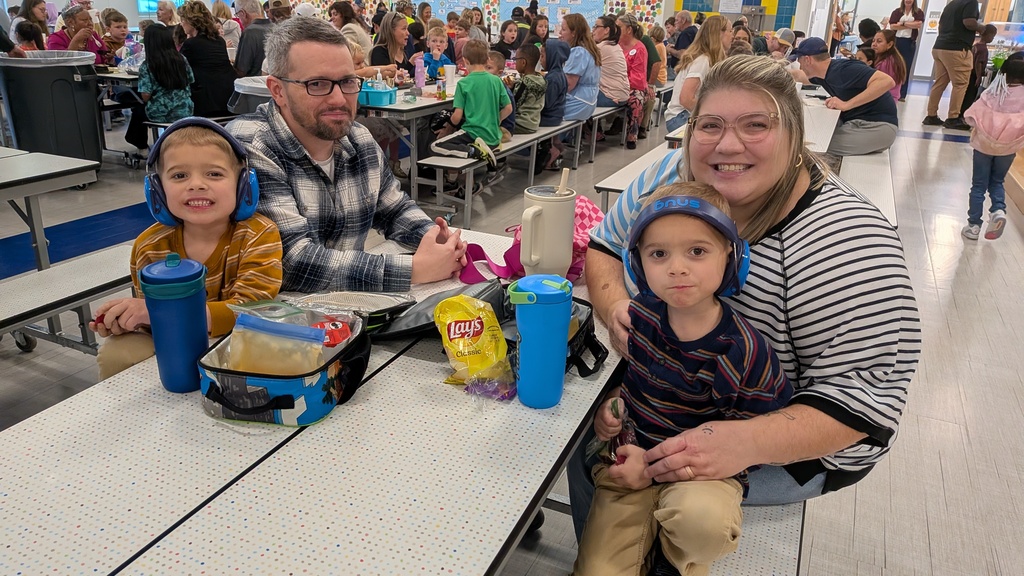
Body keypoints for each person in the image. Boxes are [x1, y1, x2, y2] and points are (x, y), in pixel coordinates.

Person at [572, 56, 920, 568]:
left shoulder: (847, 243)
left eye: (756, 125)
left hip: (790, 435)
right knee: (583, 443)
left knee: (673, 503)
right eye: (710, 125)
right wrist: (616, 305)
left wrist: (743, 441)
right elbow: (603, 246)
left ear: (795, 135)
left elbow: (862, 402)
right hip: (666, 392)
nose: (727, 146)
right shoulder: (676, 177)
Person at [572, 182, 793, 576]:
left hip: (704, 474)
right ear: (638, 263)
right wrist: (615, 404)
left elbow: (756, 439)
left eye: (697, 251)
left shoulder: (743, 351)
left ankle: (672, 559)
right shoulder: (641, 318)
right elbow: (636, 383)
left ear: (731, 256)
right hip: (631, 459)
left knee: (702, 525)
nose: (677, 267)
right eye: (659, 254)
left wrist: (656, 467)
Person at [227, 17, 466, 293]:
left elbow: (394, 209)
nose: (340, 99)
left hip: (347, 314)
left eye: (348, 81)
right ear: (277, 90)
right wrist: (413, 270)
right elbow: (291, 261)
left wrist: (436, 238)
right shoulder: (251, 146)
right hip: (277, 324)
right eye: (317, 84)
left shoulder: (358, 139)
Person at [89, 118, 283, 380]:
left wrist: (159, 312)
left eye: (214, 174)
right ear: (156, 190)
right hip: (172, 339)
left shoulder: (258, 234)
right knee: (117, 354)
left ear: (243, 185)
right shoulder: (149, 245)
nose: (196, 185)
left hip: (240, 336)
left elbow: (252, 310)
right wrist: (127, 319)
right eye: (179, 175)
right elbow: (149, 315)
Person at [791, 37, 898, 156]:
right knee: (814, 138)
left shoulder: (844, 69)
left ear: (807, 60)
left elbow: (887, 81)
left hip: (878, 127)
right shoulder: (822, 74)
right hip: (858, 123)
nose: (800, 66)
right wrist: (775, 69)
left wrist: (846, 105)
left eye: (799, 62)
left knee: (814, 146)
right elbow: (799, 76)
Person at [430, 38, 510, 186]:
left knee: (436, 145)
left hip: (473, 133)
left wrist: (447, 127)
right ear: (487, 59)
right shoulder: (496, 80)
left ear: (465, 61)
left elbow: (457, 117)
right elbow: (508, 108)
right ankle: (464, 174)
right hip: (494, 135)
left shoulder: (464, 83)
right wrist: (496, 121)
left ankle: (473, 152)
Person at [961, 58, 1024, 241]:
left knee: (978, 185)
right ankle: (998, 210)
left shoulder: (993, 93)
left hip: (984, 146)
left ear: (1003, 73)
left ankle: (973, 226)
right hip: (1008, 148)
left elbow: (970, 116)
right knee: (997, 181)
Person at [124, 24, 194, 158]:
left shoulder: (148, 65)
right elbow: (191, 80)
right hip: (185, 108)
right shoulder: (182, 59)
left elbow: (145, 95)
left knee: (139, 109)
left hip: (161, 112)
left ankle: (142, 146)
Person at [923, 0, 985, 130]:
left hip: (939, 47)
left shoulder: (952, 3)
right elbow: (969, 22)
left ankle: (931, 115)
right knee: (960, 84)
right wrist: (983, 28)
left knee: (939, 83)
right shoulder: (971, 2)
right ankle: (953, 118)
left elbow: (940, 25)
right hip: (957, 49)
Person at [665, 15, 731, 133]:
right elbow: (686, 99)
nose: (733, 36)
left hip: (682, 115)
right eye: (730, 31)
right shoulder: (703, 61)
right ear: (718, 34)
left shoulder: (707, 59)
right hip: (681, 116)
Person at [178, 1, 236, 118]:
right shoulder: (219, 41)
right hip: (228, 95)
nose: (181, 23)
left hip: (206, 101)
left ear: (191, 21)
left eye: (182, 20)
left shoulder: (190, 44)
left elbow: (179, 71)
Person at [617, 13, 649, 150]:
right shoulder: (615, 45)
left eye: (618, 27)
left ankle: (632, 135)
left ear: (628, 29)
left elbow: (638, 78)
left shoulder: (639, 49)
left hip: (631, 86)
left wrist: (621, 84)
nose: (615, 30)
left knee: (636, 100)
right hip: (614, 85)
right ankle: (596, 134)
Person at [535, 39, 567, 174]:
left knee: (524, 121)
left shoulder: (552, 78)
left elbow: (546, 103)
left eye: (542, 56)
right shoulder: (559, 73)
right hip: (557, 115)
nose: (540, 60)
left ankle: (549, 149)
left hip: (549, 117)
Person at [507, 42, 545, 135]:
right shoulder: (541, 79)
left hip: (521, 123)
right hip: (534, 122)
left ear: (523, 62)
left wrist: (509, 90)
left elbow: (514, 103)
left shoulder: (524, 83)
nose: (515, 62)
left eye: (516, 59)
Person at [889, 0, 924, 101]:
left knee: (906, 68)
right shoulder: (897, 12)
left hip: (909, 43)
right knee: (894, 66)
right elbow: (892, 26)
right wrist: (910, 24)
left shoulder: (918, 12)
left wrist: (902, 23)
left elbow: (918, 25)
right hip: (897, 42)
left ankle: (902, 94)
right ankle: (891, 91)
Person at [593, 14, 629, 110]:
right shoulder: (615, 46)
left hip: (610, 97)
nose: (593, 30)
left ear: (606, 30)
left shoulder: (601, 48)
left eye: (596, 27)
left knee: (575, 97)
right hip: (622, 95)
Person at [961, 24, 998, 117]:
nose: (993, 38)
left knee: (966, 94)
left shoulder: (976, 45)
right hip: (974, 75)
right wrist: (979, 76)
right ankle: (965, 114)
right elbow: (978, 63)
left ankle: (961, 112)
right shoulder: (983, 49)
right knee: (970, 95)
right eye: (992, 36)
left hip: (969, 73)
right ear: (987, 35)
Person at [371, 11, 417, 79]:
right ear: (391, 31)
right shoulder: (379, 52)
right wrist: (410, 64)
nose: (408, 33)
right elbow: (389, 78)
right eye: (404, 29)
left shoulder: (406, 50)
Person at [234, 0, 273, 77]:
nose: (239, 19)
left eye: (238, 15)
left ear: (243, 13)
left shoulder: (249, 32)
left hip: (253, 85)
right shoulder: (274, 27)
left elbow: (241, 70)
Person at [486, 49, 516, 147]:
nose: (485, 71)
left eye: (489, 68)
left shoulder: (499, 87)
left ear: (499, 72)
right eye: (484, 67)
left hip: (504, 129)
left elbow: (508, 109)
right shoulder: (492, 84)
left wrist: (494, 122)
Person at [872, 30, 906, 103]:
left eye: (879, 41)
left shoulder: (887, 63)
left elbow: (877, 86)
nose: (874, 44)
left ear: (889, 44)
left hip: (884, 101)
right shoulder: (891, 58)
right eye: (873, 41)